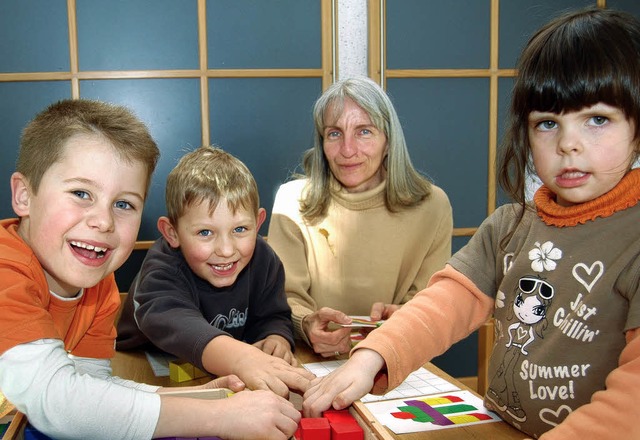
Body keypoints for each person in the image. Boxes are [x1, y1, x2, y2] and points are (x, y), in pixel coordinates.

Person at [303, 6, 640, 439]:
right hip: (502, 425)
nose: (568, 144)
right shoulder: (510, 225)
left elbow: (631, 405)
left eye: (597, 119)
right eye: (547, 124)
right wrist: (371, 357)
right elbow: (444, 302)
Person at [0, 100, 301, 440]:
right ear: (24, 196)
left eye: (123, 204)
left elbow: (93, 388)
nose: (103, 221)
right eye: (81, 193)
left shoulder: (97, 282)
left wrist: (196, 398)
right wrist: (217, 416)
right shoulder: (5, 270)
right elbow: (58, 402)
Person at [267, 76, 453, 357]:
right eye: (334, 133)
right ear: (322, 143)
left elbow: (431, 303)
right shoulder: (292, 201)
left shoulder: (432, 206)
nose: (347, 150)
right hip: (311, 358)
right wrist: (306, 324)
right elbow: (284, 296)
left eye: (364, 131)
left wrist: (406, 318)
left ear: (388, 141)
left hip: (397, 357)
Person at [117, 145, 315, 398]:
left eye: (240, 229)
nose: (225, 249)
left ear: (258, 223)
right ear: (172, 233)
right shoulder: (161, 268)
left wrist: (276, 337)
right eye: (205, 232)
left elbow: (273, 314)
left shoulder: (264, 260)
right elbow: (173, 320)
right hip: (142, 368)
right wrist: (242, 358)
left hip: (227, 368)